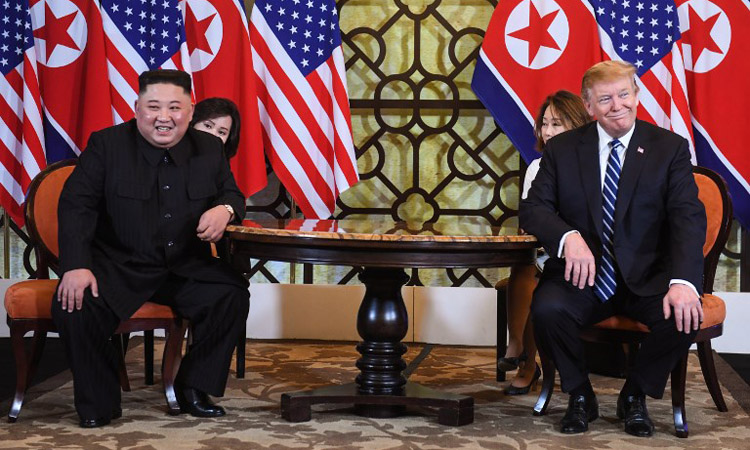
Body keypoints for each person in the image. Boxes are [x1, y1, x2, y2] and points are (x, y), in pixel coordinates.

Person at [52, 69, 250, 428]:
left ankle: (193, 387)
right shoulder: (106, 144)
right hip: (120, 265)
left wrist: (226, 209)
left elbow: (231, 192)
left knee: (231, 293)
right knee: (75, 305)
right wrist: (76, 265)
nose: (164, 117)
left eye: (175, 107)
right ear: (137, 108)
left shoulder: (208, 148)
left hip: (184, 266)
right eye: (153, 106)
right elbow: (76, 205)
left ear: (190, 112)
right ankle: (99, 402)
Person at [520, 60, 706, 437]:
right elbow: (533, 208)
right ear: (589, 106)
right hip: (581, 276)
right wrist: (568, 237)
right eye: (605, 99)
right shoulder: (564, 149)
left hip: (648, 275)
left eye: (624, 94)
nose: (617, 105)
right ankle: (580, 394)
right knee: (547, 308)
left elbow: (688, 217)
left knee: (683, 316)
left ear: (636, 95)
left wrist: (685, 281)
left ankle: (635, 394)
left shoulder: (668, 148)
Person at [500, 91, 591, 395]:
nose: (548, 132)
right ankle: (522, 353)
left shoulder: (593, 164)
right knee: (524, 266)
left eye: (558, 124)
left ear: (577, 125)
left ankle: (526, 359)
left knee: (536, 276)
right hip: (548, 251)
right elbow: (533, 221)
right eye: (545, 124)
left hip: (583, 257)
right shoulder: (538, 168)